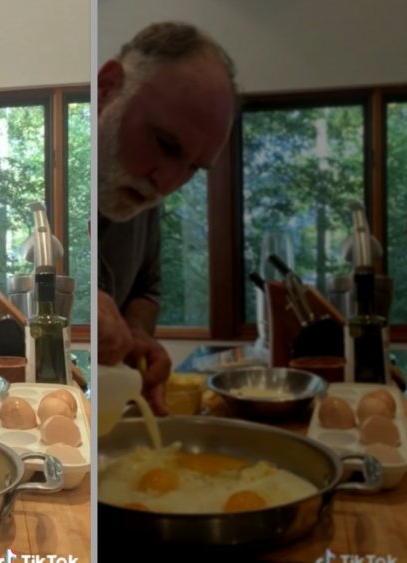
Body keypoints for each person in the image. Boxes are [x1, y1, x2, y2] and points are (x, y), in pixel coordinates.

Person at [96, 22, 238, 415]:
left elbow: (147, 288)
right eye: (165, 144)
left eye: (194, 168)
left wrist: (136, 334)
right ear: (107, 88)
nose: (168, 182)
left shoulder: (142, 192)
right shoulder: (47, 176)